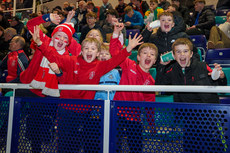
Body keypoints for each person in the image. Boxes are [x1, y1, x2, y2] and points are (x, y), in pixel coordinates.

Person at [30, 24, 143, 100]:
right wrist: (40, 43)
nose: (89, 51)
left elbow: (115, 60)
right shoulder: (70, 61)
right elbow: (53, 55)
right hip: (66, 107)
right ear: (81, 51)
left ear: (98, 53)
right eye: (86, 48)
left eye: (93, 49)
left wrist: (128, 48)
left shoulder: (100, 66)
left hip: (86, 109)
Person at [156, 38, 227, 103]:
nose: (182, 54)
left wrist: (221, 77)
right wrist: (162, 65)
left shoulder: (203, 66)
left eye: (185, 51)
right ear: (174, 56)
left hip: (206, 112)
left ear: (191, 54)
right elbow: (159, 85)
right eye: (178, 52)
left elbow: (221, 87)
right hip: (183, 112)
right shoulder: (172, 70)